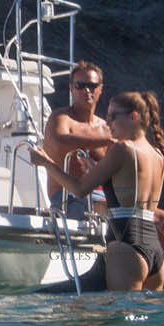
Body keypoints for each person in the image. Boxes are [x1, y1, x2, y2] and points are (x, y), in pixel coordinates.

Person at [42, 68, 164, 289]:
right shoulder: (157, 155)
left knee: (122, 320)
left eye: (113, 117)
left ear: (133, 117)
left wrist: (45, 163)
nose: (108, 123)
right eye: (80, 85)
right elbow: (128, 189)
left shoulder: (121, 148)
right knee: (152, 321)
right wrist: (97, 169)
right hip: (154, 252)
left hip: (127, 245)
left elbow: (79, 190)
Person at [42, 62, 109, 220]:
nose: (86, 90)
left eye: (92, 85)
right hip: (67, 197)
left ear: (100, 89)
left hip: (101, 196)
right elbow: (61, 140)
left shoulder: (104, 127)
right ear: (72, 88)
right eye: (80, 85)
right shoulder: (61, 119)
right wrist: (107, 139)